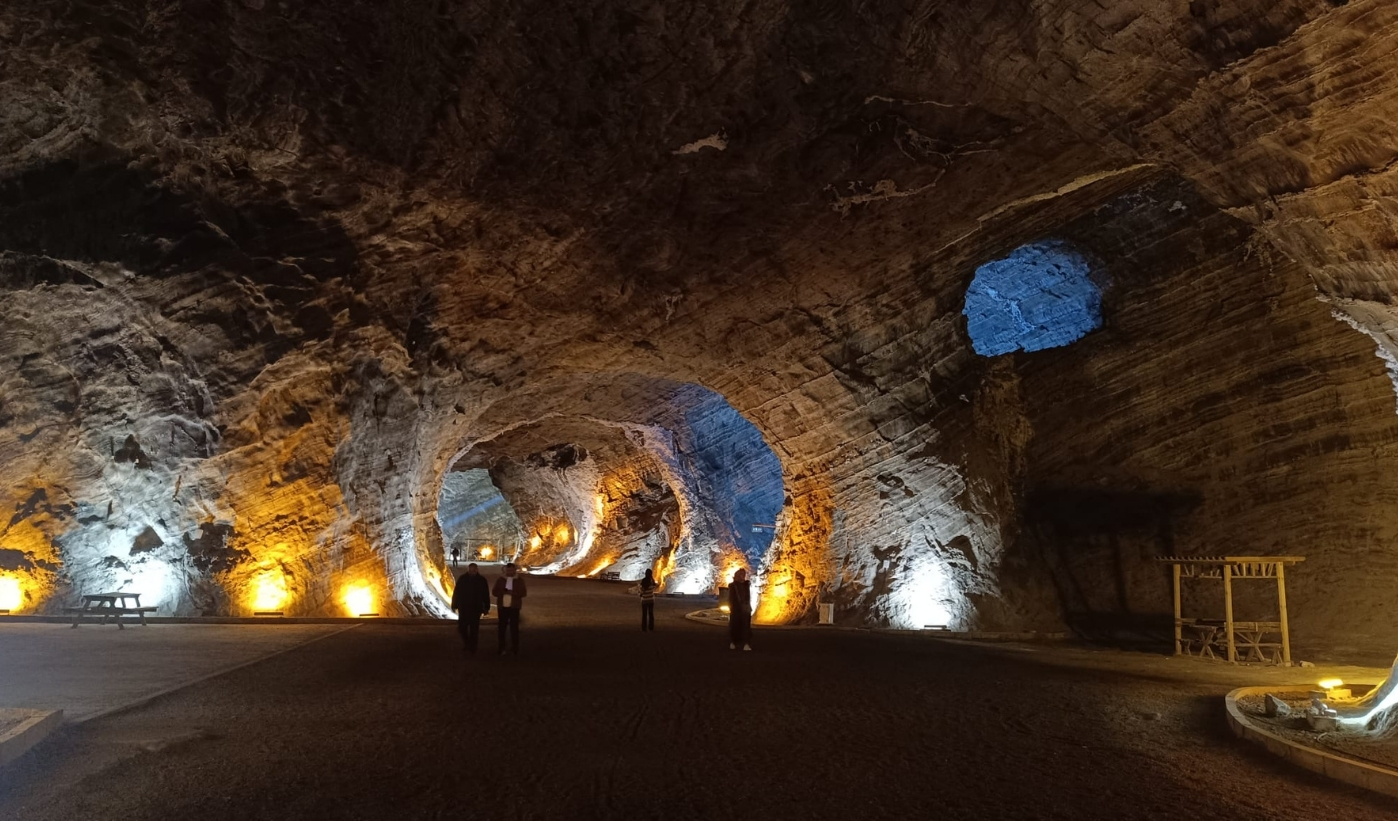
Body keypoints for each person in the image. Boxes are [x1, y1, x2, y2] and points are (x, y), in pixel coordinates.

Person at [450, 563, 490, 653]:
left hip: (476, 608)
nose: (472, 572)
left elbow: (485, 595)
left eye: (474, 570)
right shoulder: (462, 579)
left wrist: (486, 607)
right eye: (471, 570)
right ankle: (467, 643)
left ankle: (472, 647)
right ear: (468, 569)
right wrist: (454, 604)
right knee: (461, 628)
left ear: (477, 570)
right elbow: (456, 592)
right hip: (464, 607)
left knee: (474, 629)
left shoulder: (481, 580)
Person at [492, 563, 528, 655]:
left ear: (514, 570)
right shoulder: (501, 580)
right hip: (502, 607)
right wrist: (502, 592)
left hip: (514, 607)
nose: (510, 572)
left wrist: (513, 593)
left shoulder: (519, 581)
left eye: (511, 570)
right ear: (505, 570)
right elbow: (494, 592)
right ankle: (502, 647)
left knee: (514, 628)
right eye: (508, 570)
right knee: (502, 628)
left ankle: (515, 648)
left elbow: (523, 593)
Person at [728, 568, 753, 651]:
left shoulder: (746, 585)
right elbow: (731, 598)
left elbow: (747, 597)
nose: (742, 577)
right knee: (735, 626)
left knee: (745, 626)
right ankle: (734, 642)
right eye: (740, 575)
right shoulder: (733, 586)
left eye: (743, 575)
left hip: (744, 609)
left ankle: (745, 643)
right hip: (736, 609)